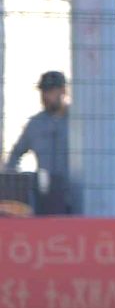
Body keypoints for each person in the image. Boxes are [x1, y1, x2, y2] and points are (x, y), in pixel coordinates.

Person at [5, 70, 74, 213]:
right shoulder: (36, 124)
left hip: (75, 192)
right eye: (43, 91)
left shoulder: (77, 120)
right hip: (45, 193)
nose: (45, 96)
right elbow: (16, 154)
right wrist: (14, 184)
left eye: (50, 91)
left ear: (63, 90)